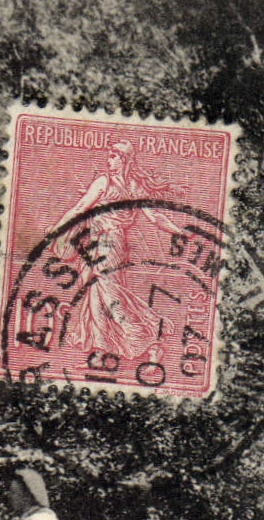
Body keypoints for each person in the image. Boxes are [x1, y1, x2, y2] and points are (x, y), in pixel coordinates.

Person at [53, 140, 192, 363]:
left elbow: (154, 216)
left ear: (125, 160)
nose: (109, 160)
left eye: (114, 156)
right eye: (109, 156)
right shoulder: (104, 181)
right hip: (95, 241)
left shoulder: (133, 187)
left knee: (107, 291)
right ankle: (101, 344)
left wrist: (178, 231)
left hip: (112, 242)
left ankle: (146, 341)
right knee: (97, 290)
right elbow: (81, 208)